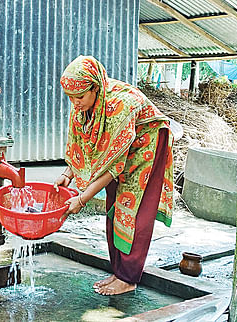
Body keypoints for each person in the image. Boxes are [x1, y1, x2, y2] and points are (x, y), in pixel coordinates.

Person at [54, 55, 174, 296]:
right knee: (114, 206)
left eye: (79, 97)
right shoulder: (84, 107)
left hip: (147, 145)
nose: (74, 103)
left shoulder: (121, 106)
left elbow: (112, 167)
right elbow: (83, 144)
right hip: (122, 150)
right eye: (70, 97)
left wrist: (82, 199)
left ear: (96, 87)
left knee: (133, 209)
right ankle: (119, 270)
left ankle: (128, 278)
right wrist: (68, 174)